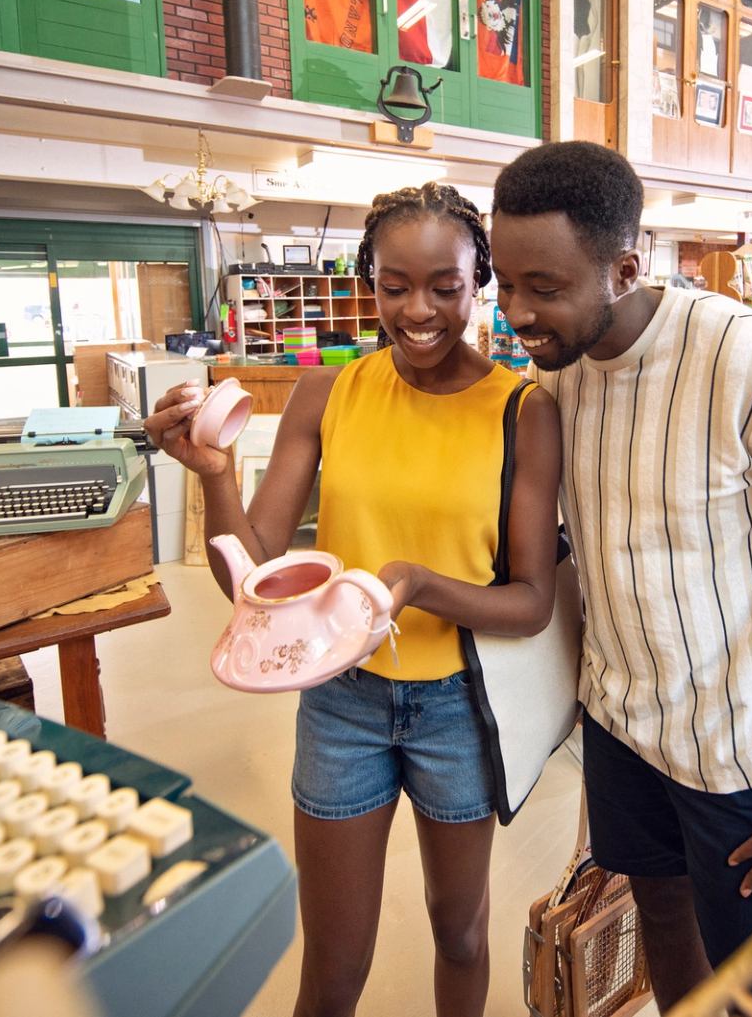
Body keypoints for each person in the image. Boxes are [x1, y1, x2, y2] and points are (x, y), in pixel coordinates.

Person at [489, 143, 752, 1014]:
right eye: (503, 282)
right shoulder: (559, 375)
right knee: (661, 911)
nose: (516, 312)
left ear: (624, 268)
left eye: (544, 287)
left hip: (743, 748)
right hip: (620, 722)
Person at [145, 183, 562, 1017]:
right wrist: (217, 477)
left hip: (458, 708)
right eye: (394, 284)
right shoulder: (326, 394)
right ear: (368, 280)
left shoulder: (522, 409)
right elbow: (249, 580)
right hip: (342, 704)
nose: (418, 311)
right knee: (334, 967)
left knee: (462, 933)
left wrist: (410, 583)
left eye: (446, 286)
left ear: (480, 280)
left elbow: (531, 603)